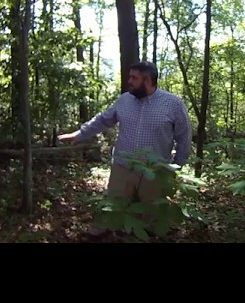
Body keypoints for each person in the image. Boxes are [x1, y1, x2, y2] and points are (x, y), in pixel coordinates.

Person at [58, 61, 192, 236]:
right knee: (111, 207)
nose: (129, 81)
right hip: (123, 166)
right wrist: (78, 134)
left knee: (149, 216)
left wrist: (175, 168)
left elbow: (184, 137)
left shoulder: (173, 104)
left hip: (154, 171)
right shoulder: (124, 100)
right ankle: (100, 234)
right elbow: (103, 120)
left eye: (133, 78)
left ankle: (143, 235)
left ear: (147, 80)